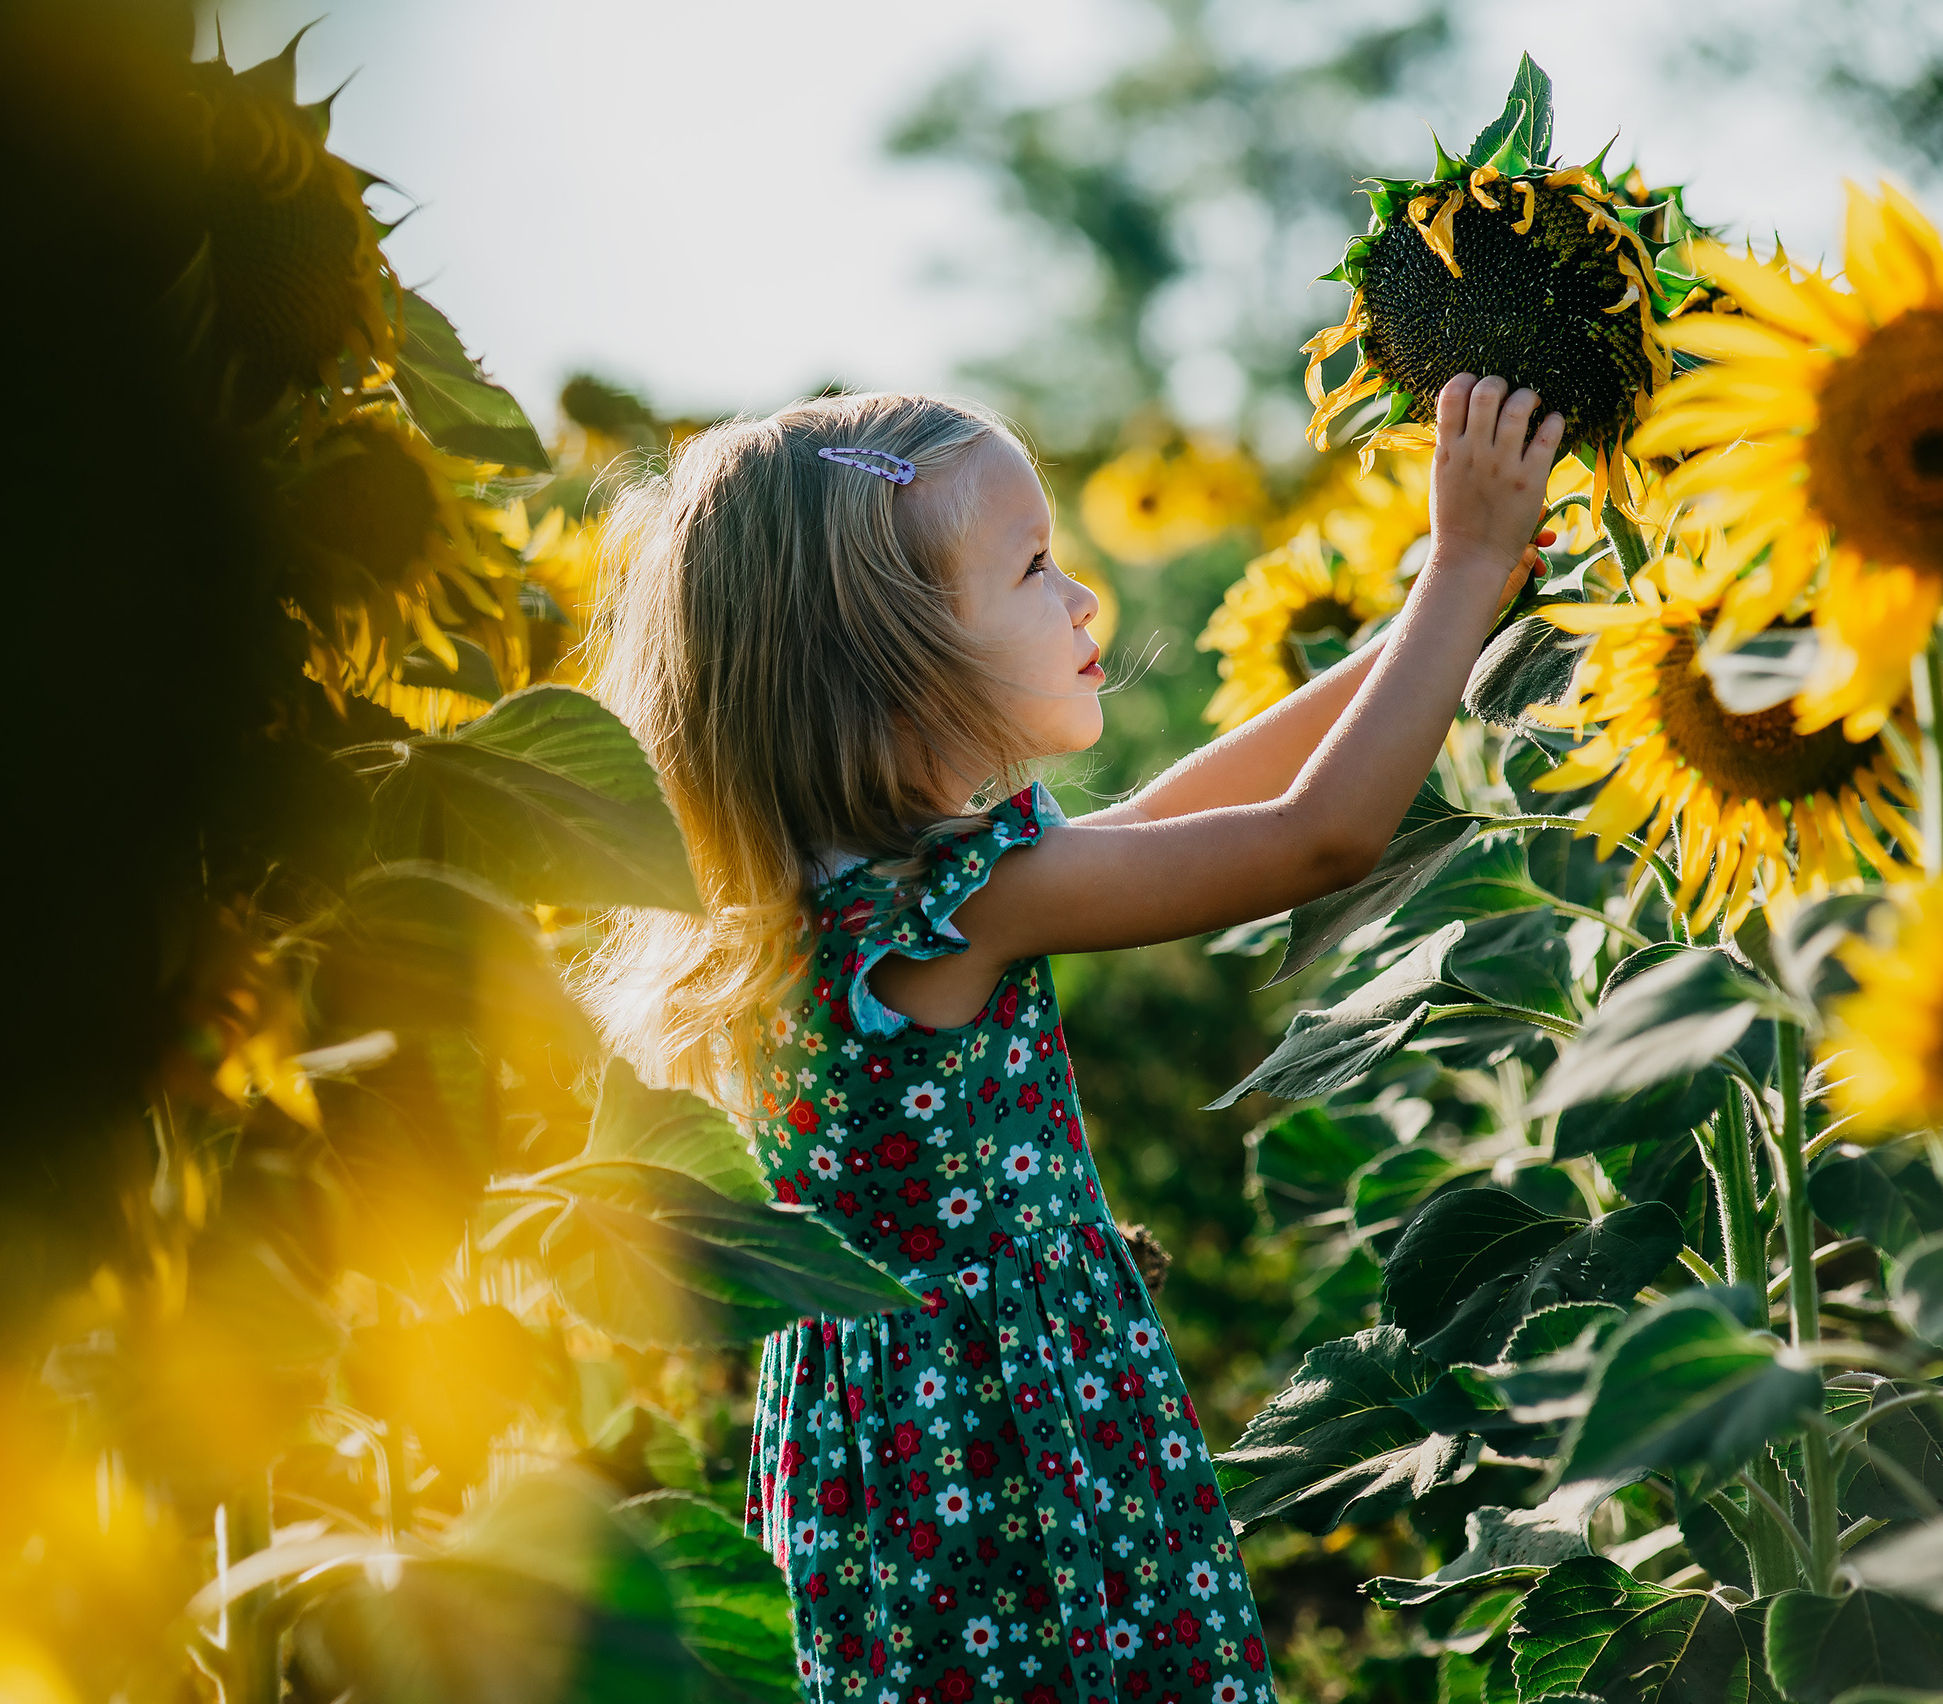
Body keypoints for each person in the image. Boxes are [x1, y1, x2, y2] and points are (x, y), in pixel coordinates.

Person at [582, 373, 1562, 1704]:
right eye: (1035, 569)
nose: (1084, 600)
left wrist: (1427, 630)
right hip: (1004, 1438)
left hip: (889, 1445)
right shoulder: (956, 896)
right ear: (894, 659)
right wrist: (1468, 561)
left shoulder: (837, 891)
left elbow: (1160, 823)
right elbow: (1317, 837)